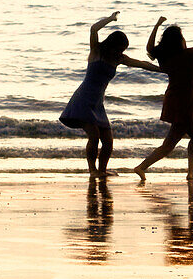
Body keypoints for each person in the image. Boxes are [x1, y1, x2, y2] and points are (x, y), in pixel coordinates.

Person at [59, 12, 162, 177]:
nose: (120, 52)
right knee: (94, 136)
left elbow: (141, 64)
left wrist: (162, 70)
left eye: (123, 50)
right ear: (112, 44)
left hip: (98, 103)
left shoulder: (119, 58)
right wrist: (110, 19)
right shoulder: (97, 51)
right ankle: (92, 171)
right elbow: (93, 29)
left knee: (108, 140)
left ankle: (102, 170)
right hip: (83, 99)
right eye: (119, 48)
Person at [133, 11, 193, 182]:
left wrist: (157, 25)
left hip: (173, 99)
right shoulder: (191, 55)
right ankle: (142, 167)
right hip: (186, 101)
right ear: (180, 41)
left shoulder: (166, 58)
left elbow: (149, 48)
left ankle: (191, 172)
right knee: (171, 143)